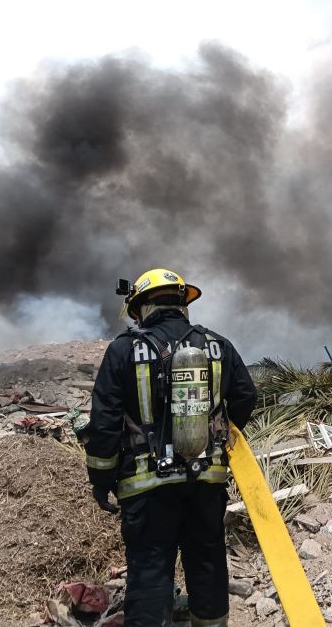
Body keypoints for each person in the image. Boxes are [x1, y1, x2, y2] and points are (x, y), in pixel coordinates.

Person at [85, 268, 258, 626]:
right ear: (183, 304)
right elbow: (245, 396)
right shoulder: (217, 345)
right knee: (207, 562)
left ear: (142, 307)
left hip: (146, 489)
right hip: (205, 481)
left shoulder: (122, 350)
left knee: (150, 570)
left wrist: (101, 482)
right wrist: (219, 436)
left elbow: (103, 427)